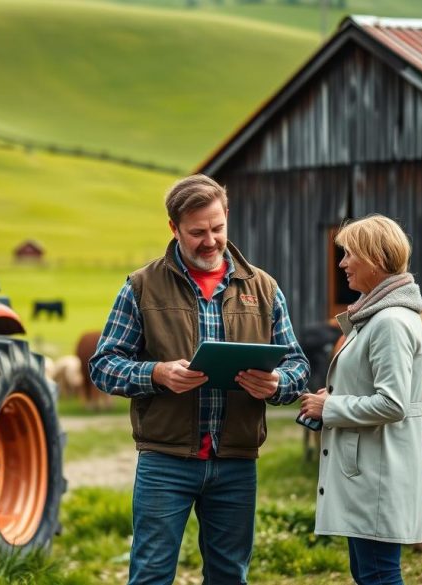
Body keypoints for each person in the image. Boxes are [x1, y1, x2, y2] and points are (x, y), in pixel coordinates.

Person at [89, 174, 309, 585]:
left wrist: (278, 383)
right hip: (165, 460)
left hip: (236, 462)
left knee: (229, 575)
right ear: (174, 229)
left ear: (227, 216)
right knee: (151, 574)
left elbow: (297, 365)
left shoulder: (264, 288)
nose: (210, 240)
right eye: (197, 232)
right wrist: (155, 373)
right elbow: (102, 365)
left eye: (217, 228)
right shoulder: (141, 287)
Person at [299, 214, 422, 585]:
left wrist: (330, 408)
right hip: (371, 469)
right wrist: (336, 396)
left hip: (379, 471)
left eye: (349, 254)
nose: (341, 264)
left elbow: (393, 403)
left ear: (375, 258)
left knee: (377, 574)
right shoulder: (379, 316)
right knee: (369, 571)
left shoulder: (389, 322)